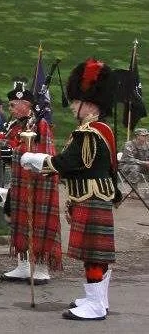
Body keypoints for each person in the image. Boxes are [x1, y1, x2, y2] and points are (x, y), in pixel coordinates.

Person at [21, 58, 122, 320]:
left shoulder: (89, 132)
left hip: (90, 197)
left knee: (93, 254)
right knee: (96, 254)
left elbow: (70, 162)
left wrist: (37, 160)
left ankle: (95, 305)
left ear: (89, 103)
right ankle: (98, 299)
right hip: (95, 194)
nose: (73, 107)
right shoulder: (102, 129)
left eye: (76, 102)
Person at [0, 79, 61, 284]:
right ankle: (23, 266)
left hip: (39, 184)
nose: (10, 109)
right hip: (21, 181)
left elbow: (43, 153)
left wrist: (9, 153)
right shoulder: (17, 125)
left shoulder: (40, 124)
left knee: (39, 223)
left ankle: (41, 268)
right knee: (20, 222)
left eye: (13, 105)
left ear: (26, 104)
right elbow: (13, 145)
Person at [119, 127, 149, 192]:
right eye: (143, 135)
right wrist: (144, 163)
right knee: (135, 167)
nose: (146, 137)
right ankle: (134, 191)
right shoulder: (129, 145)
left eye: (147, 135)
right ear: (137, 136)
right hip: (126, 166)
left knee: (137, 167)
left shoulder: (147, 145)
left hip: (141, 166)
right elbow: (129, 159)